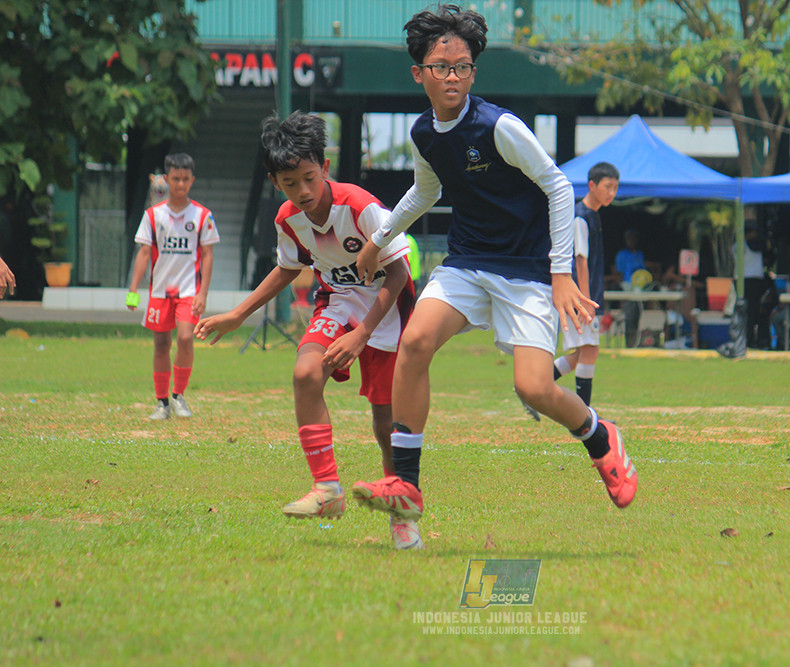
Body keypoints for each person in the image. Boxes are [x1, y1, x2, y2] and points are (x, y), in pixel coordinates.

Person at [348, 4, 637, 531]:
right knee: (414, 344)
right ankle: (406, 485)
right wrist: (380, 238)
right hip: (466, 262)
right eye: (441, 66)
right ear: (419, 74)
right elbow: (426, 190)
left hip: (525, 270)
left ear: (473, 71)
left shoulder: (499, 126)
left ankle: (601, 436)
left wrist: (560, 273)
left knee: (533, 387)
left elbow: (556, 184)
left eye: (462, 66)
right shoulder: (424, 135)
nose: (452, 75)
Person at [193, 112, 421, 549]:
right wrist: (238, 314)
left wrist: (361, 335)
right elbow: (286, 269)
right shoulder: (288, 220)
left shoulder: (360, 207)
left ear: (325, 168)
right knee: (304, 373)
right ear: (275, 182)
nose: (303, 191)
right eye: (290, 182)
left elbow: (397, 276)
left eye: (309, 178)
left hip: (386, 313)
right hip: (337, 303)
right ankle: (327, 489)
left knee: (385, 421)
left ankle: (402, 514)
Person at [127, 153, 219, 420]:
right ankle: (162, 403)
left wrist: (203, 292)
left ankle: (179, 395)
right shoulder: (153, 216)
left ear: (192, 180)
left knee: (186, 337)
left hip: (189, 291)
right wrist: (133, 290)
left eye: (186, 179)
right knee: (161, 344)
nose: (180, 184)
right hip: (159, 292)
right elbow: (144, 253)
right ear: (167, 180)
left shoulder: (202, 215)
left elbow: (208, 255)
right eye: (176, 179)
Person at [552, 161, 619, 407]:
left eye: (615, 188)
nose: (612, 193)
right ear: (592, 185)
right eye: (607, 187)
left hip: (587, 297)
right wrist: (586, 303)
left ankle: (537, 382)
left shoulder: (594, 215)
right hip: (582, 297)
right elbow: (580, 261)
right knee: (589, 351)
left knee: (582, 353)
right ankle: (585, 414)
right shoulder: (581, 217)